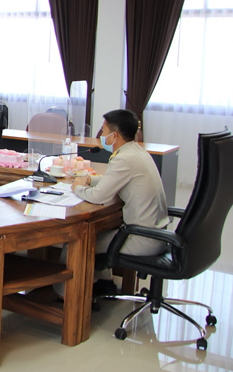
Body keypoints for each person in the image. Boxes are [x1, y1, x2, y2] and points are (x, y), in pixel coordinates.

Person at [56, 109, 169, 297]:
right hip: (157, 234)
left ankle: (66, 296)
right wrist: (90, 179)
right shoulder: (137, 152)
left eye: (104, 131)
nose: (101, 135)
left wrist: (77, 187)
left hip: (143, 238)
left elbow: (98, 196)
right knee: (98, 233)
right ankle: (104, 284)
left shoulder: (124, 158)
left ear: (114, 136)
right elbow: (114, 180)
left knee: (77, 241)